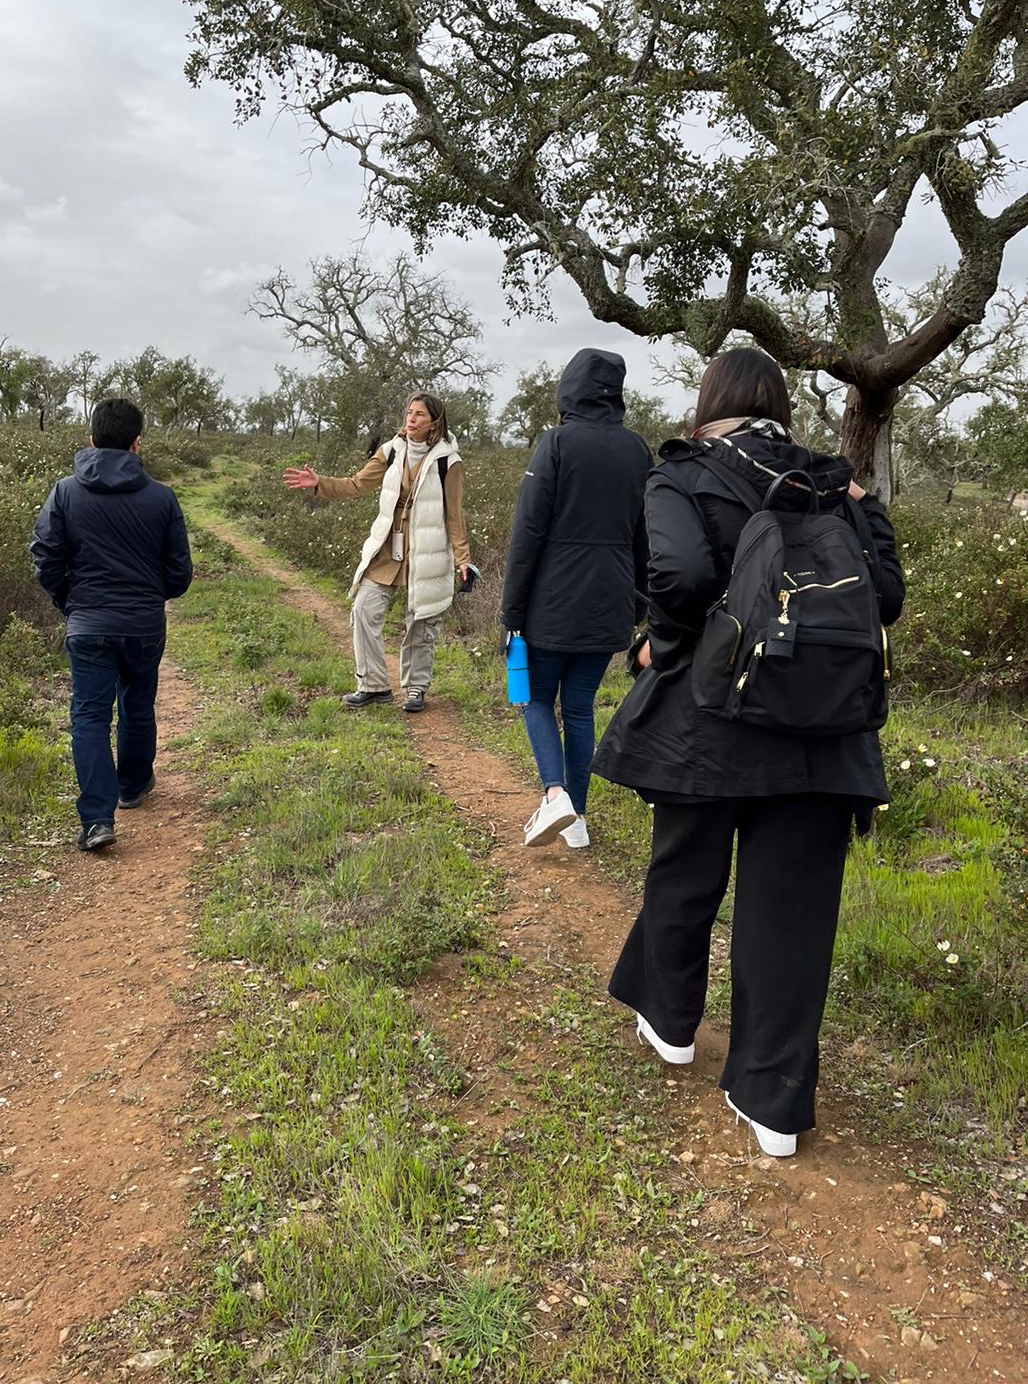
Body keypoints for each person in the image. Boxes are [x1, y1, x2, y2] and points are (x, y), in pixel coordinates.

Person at [592, 349, 904, 1157]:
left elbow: (682, 576)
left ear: (710, 402)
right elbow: (889, 598)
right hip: (824, 735)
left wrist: (661, 644)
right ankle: (772, 1106)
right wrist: (864, 507)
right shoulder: (834, 483)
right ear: (781, 409)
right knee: (793, 916)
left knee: (685, 871)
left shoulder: (685, 472)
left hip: (710, 724)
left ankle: (670, 1025)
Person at [500, 349, 651, 849]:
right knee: (581, 707)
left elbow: (528, 533)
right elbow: (643, 536)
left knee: (537, 698)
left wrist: (512, 611)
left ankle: (555, 794)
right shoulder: (637, 450)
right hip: (611, 600)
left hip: (553, 600)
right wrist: (640, 605)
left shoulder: (557, 443)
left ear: (570, 388)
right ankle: (578, 820)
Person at [31, 398, 193, 853]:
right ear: (137, 443)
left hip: (88, 623)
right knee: (138, 704)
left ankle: (97, 821)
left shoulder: (65, 492)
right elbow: (179, 573)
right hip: (143, 624)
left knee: (89, 715)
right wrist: (149, 597)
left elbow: (44, 555)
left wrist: (71, 602)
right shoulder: (162, 496)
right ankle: (134, 786)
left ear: (91, 439)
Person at [283, 393, 472, 713]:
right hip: (387, 547)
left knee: (421, 621)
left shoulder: (447, 462)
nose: (411, 419)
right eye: (409, 413)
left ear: (434, 422)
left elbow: (454, 515)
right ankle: (373, 686)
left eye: (419, 415)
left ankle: (416, 688)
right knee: (363, 607)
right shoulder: (391, 450)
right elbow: (356, 484)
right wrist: (320, 484)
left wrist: (463, 559)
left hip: (426, 552)